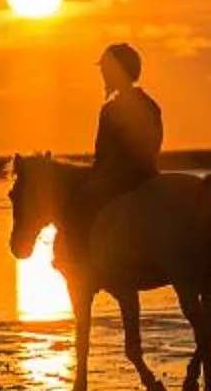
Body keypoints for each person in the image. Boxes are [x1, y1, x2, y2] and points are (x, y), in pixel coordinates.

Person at [63, 41, 163, 263]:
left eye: (106, 70)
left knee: (80, 200)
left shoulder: (111, 110)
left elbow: (102, 156)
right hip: (150, 175)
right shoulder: (151, 105)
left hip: (123, 180)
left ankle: (83, 261)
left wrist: (97, 174)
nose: (103, 76)